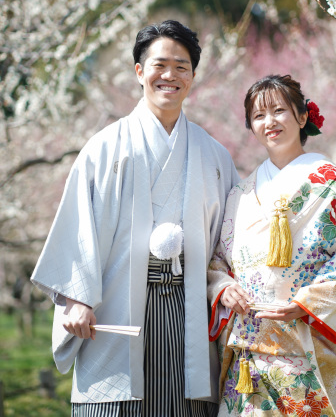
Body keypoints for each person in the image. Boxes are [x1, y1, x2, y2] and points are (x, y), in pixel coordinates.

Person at [31, 20, 240, 417]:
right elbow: (78, 230)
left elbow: (228, 245)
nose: (170, 76)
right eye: (160, 65)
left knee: (188, 403)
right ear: (139, 71)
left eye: (182, 67)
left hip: (189, 309)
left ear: (193, 77)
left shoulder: (214, 155)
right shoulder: (104, 147)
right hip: (117, 309)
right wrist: (77, 299)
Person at [207, 74, 336, 417]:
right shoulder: (240, 194)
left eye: (278, 111)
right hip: (252, 351)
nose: (269, 122)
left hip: (309, 339)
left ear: (302, 117)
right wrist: (224, 288)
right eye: (258, 116)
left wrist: (305, 304)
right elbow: (218, 262)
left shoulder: (330, 181)